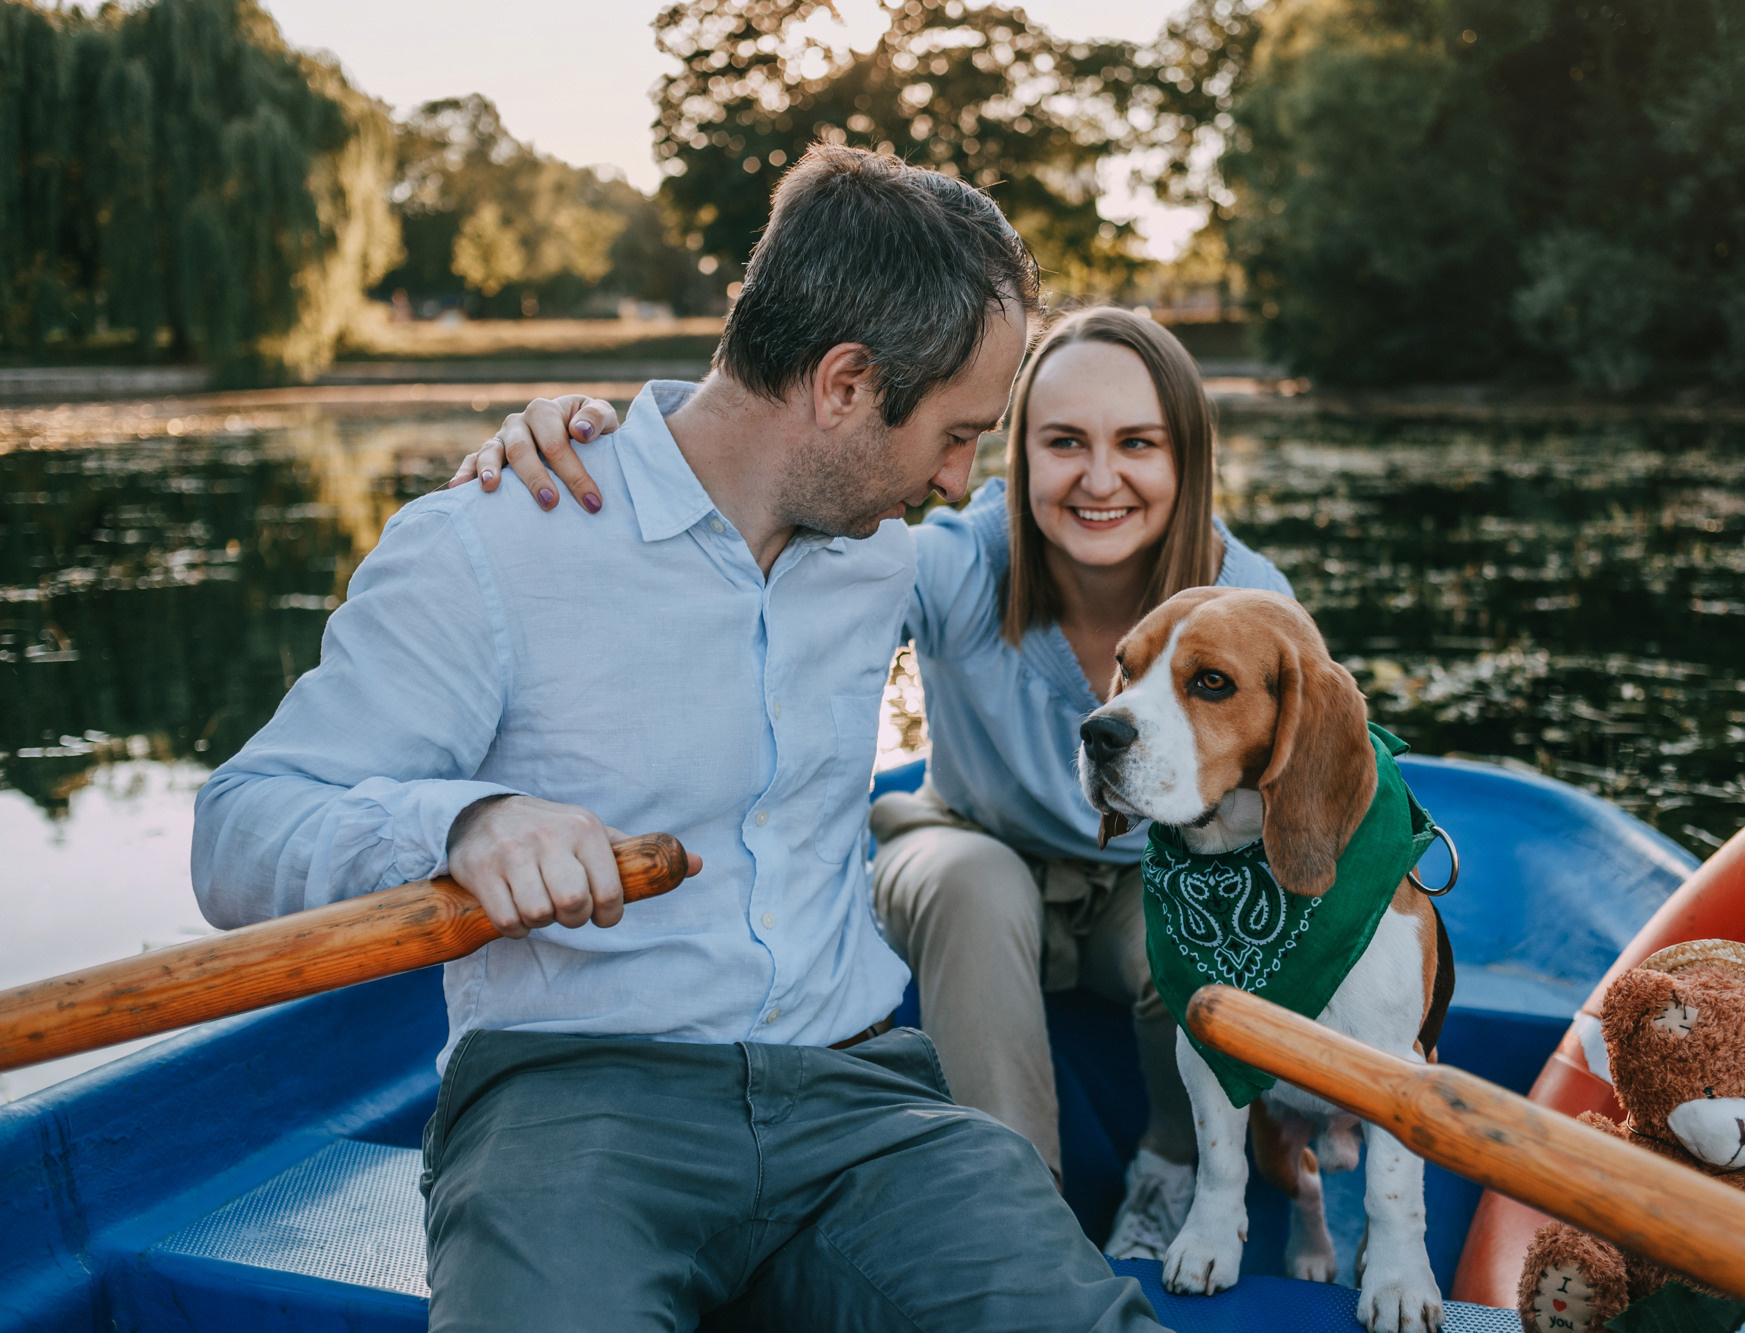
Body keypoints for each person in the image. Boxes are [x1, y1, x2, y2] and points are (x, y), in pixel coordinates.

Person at [193, 144, 1165, 1333]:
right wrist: (466, 821)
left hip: (864, 1105)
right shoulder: (490, 543)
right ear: (845, 384)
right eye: (957, 435)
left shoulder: (881, 551)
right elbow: (241, 829)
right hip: (575, 1106)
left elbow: (1105, 551)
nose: (962, 480)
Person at [457, 307, 1294, 1260]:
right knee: (978, 886)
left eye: (1136, 443)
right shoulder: (958, 563)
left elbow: (1298, 810)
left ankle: (1167, 1167)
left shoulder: (1252, 611)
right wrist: (595, 445)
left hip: (1144, 883)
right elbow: (765, 541)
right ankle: (1018, 1222)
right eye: (1064, 442)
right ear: (1018, 457)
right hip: (961, 852)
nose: (1100, 479)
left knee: (1188, 913)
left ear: (1187, 457)